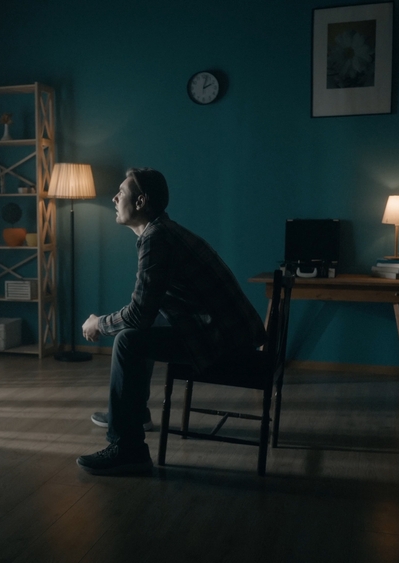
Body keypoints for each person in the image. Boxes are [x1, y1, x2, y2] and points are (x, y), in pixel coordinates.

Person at [76, 168, 265, 475]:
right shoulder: (161, 232)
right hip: (227, 333)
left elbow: (138, 314)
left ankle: (128, 448)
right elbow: (145, 310)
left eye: (121, 193)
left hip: (227, 344)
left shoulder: (157, 239)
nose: (114, 197)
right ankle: (134, 416)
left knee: (129, 339)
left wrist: (99, 323)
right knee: (142, 328)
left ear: (140, 202)